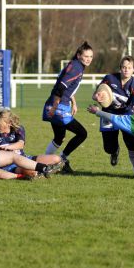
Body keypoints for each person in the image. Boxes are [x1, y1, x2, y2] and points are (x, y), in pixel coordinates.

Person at [42, 41, 94, 173]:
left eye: (91, 56)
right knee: (82, 134)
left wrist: (74, 102)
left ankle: (43, 164)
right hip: (58, 108)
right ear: (78, 55)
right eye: (86, 56)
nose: (88, 59)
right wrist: (55, 108)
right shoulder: (76, 68)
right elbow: (61, 88)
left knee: (59, 138)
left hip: (55, 105)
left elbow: (67, 87)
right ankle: (62, 161)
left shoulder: (74, 65)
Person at [92, 56, 134, 177]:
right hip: (108, 114)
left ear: (133, 70)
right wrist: (96, 97)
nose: (126, 70)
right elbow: (96, 93)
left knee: (131, 143)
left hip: (126, 115)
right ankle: (114, 152)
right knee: (108, 148)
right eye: (124, 67)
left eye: (129, 68)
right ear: (120, 68)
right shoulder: (109, 78)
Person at [0, 108, 62, 172]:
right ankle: (41, 171)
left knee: (56, 159)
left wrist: (7, 147)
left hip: (24, 158)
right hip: (8, 165)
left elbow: (20, 144)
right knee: (30, 171)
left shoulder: (18, 129)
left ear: (8, 123)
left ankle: (42, 169)